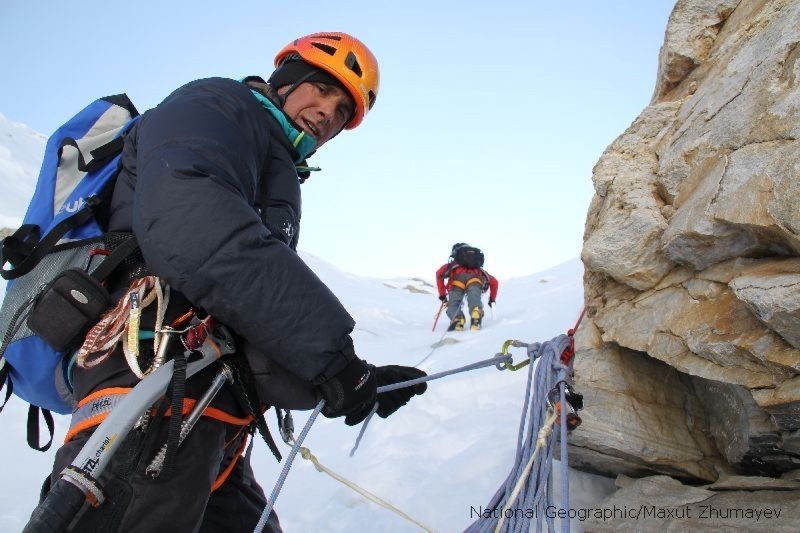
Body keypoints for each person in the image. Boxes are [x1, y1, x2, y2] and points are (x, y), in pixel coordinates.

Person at [37, 31, 428, 533]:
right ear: (286, 78)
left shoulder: (274, 162)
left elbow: (245, 304)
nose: (328, 112)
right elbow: (196, 227)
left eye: (343, 111)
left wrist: (356, 379)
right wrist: (331, 356)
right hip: (152, 391)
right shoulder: (217, 105)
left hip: (209, 413)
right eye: (322, 88)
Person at [435, 243, 499, 331]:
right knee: (474, 300)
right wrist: (492, 299)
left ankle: (458, 319)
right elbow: (494, 282)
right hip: (475, 280)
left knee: (453, 305)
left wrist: (442, 294)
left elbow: (439, 274)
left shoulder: (452, 265)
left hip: (457, 282)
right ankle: (476, 312)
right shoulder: (478, 268)